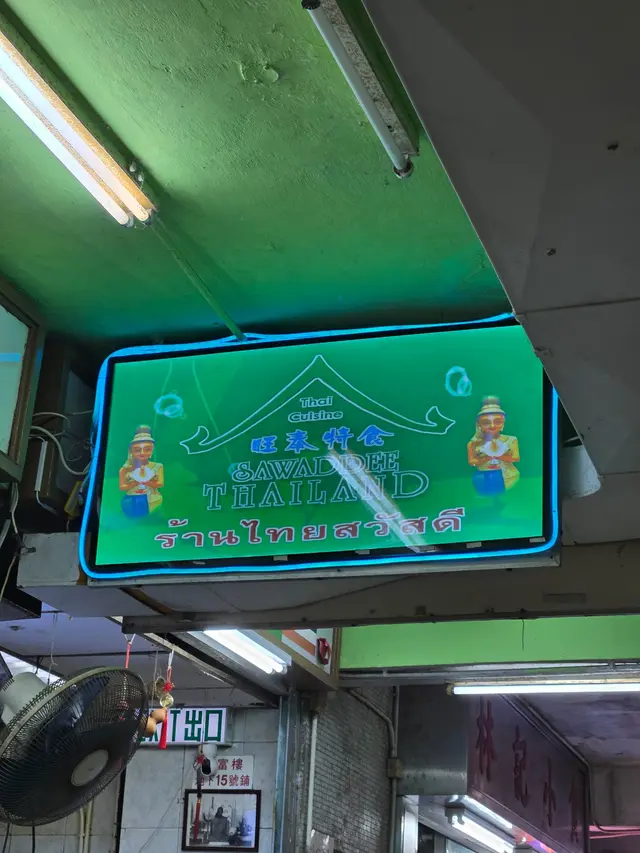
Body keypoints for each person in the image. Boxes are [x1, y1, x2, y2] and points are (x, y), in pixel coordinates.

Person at [467, 396, 520, 495]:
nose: (492, 426)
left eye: (497, 422)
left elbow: (516, 458)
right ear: (479, 424)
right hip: (483, 476)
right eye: (486, 422)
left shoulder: (511, 440)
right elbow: (471, 462)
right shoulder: (473, 443)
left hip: (507, 476)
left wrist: (500, 456)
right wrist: (485, 459)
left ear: (503, 422)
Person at [119, 425, 164, 517]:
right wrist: (134, 484)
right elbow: (122, 486)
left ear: (152, 451)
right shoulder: (125, 469)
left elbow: (160, 483)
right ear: (131, 451)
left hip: (152, 499)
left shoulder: (158, 466)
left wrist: (147, 482)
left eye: (147, 450)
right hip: (131, 500)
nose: (142, 453)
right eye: (137, 450)